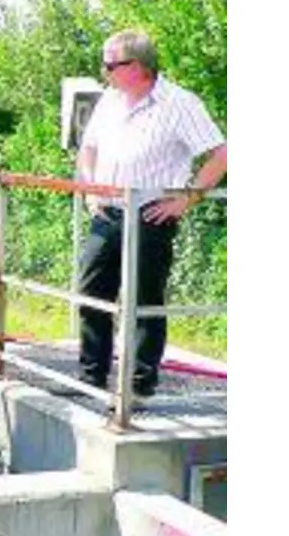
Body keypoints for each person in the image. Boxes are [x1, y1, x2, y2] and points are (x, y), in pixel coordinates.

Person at [75, 29, 227, 396]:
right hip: (107, 212)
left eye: (112, 64)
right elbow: (88, 148)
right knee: (90, 290)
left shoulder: (179, 103)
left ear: (138, 67)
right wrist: (90, 191)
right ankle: (91, 376)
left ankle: (140, 384)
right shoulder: (109, 100)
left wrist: (187, 198)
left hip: (150, 215)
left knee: (145, 299)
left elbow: (221, 154)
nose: (105, 70)